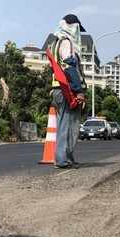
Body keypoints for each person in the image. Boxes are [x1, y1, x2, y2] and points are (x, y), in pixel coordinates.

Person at [50, 14, 87, 169]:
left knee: (63, 124)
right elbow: (70, 67)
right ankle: (63, 160)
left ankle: (65, 158)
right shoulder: (67, 43)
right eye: (77, 29)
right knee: (69, 125)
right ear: (72, 27)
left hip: (58, 89)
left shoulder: (55, 43)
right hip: (67, 90)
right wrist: (78, 92)